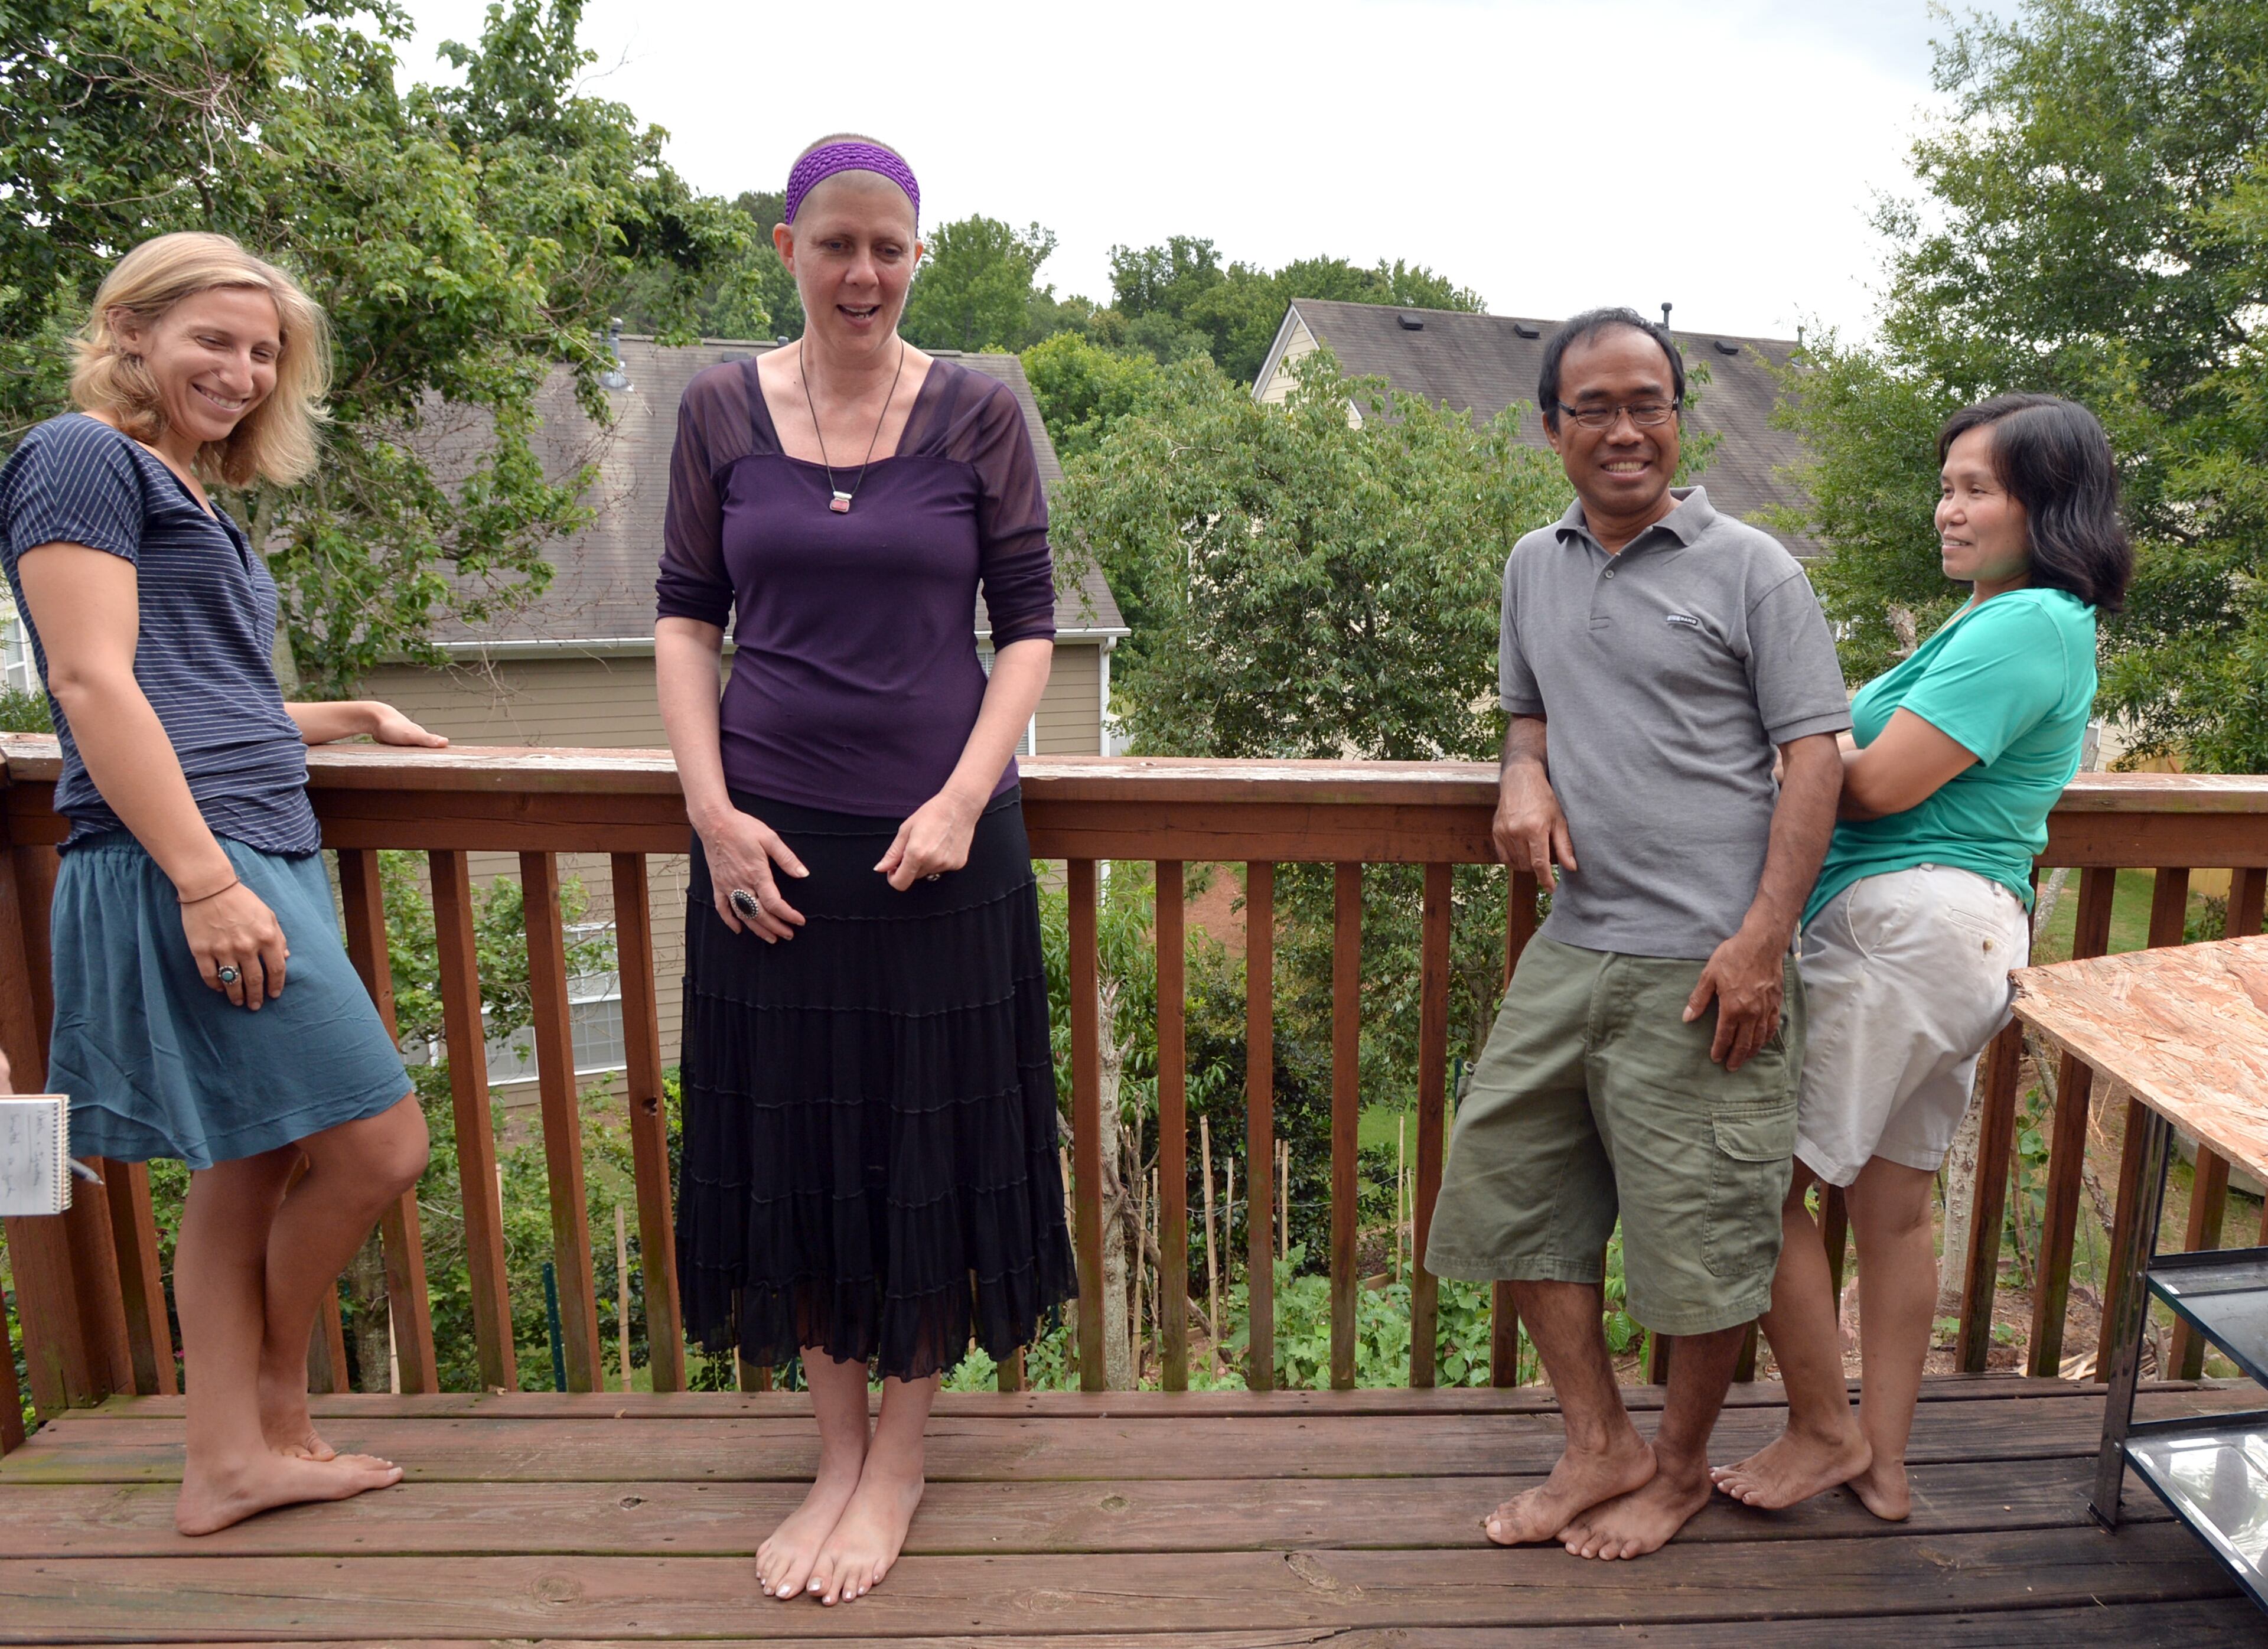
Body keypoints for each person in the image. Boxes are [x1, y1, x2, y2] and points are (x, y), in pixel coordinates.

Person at [654, 135, 1077, 1609]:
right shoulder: (719, 409)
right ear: (787, 247)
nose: (864, 272)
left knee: (929, 1144)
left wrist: (968, 795)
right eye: (836, 243)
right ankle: (829, 1455)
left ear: (919, 254)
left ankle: (897, 1459)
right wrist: (707, 809)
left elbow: (1026, 626)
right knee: (800, 1145)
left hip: (939, 847)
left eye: (890, 246)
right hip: (766, 842)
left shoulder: (980, 409)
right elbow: (683, 621)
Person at [0, 231, 447, 1535]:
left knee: (248, 1168)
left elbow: (205, 696)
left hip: (257, 838)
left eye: (264, 351)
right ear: (130, 330)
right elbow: (92, 683)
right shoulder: (75, 455)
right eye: (214, 338)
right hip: (190, 855)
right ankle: (264, 1403)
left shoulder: (191, 492)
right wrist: (202, 879)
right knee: (378, 1147)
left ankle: (227, 1460)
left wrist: (347, 713)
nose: (244, 370)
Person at [1425, 308, 1849, 1560]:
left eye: (1648, 403)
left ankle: (1673, 1468)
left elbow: (1814, 757)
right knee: (1501, 1184)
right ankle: (1597, 1439)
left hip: (1710, 960)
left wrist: (1764, 941)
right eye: (1595, 406)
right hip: (1577, 940)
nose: (1625, 430)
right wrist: (1520, 774)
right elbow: (1527, 709)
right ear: (1550, 424)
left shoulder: (1753, 568)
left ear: (1679, 416)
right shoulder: (1531, 562)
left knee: (1705, 1235)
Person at [1712, 395, 2132, 1521]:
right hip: (1949, 938)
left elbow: (1880, 781)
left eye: (1977, 489)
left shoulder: (2026, 622)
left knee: (1748, 1180)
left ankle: (1823, 1433)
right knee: (1892, 1204)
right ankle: (1884, 1462)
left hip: (1902, 932)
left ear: (2048, 506)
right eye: (1947, 486)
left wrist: (1794, 725)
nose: (1948, 510)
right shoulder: (2004, 620)